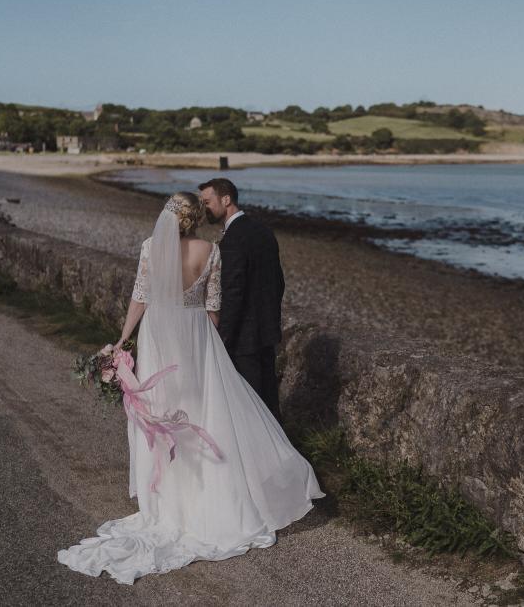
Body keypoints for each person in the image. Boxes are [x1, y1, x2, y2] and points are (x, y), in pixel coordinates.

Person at [57, 192, 324, 585]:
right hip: (196, 335)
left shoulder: (151, 247)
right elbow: (213, 308)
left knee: (161, 414)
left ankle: (170, 502)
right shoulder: (211, 250)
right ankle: (210, 497)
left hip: (159, 336)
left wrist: (121, 341)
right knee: (204, 411)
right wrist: (205, 341)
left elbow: (139, 299)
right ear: (198, 218)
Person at [198, 178, 285, 422]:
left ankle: (263, 457)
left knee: (250, 404)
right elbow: (278, 282)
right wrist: (269, 317)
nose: (204, 207)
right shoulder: (263, 231)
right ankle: (280, 450)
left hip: (243, 337)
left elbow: (233, 292)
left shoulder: (233, 239)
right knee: (269, 400)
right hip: (266, 330)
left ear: (226, 200)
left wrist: (224, 337)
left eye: (207, 201)